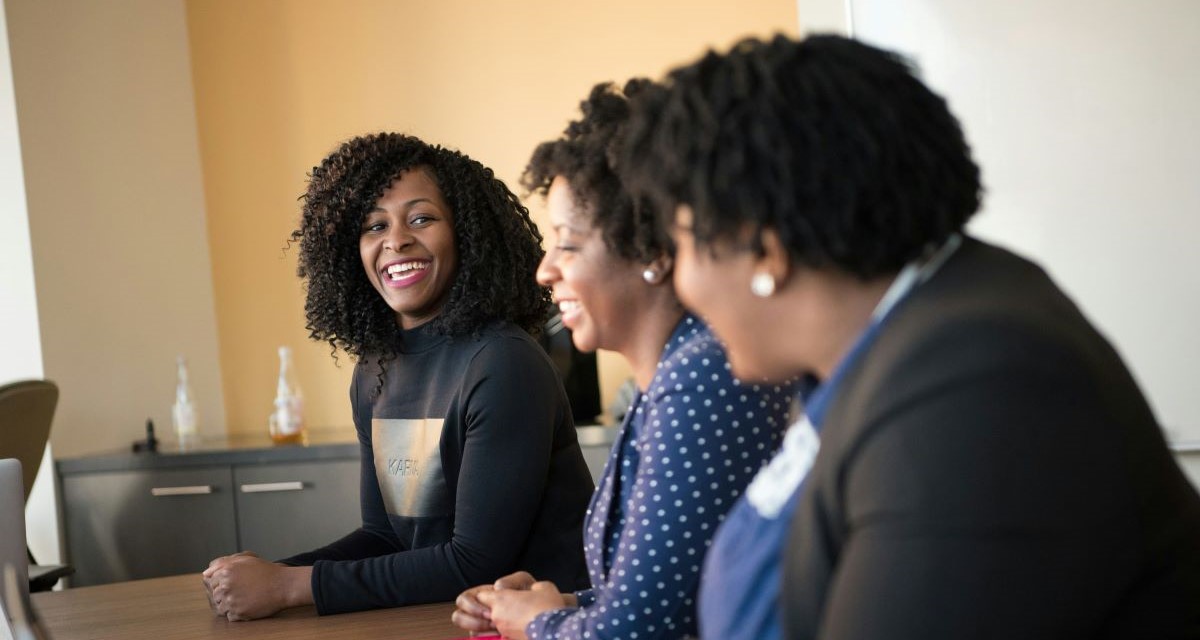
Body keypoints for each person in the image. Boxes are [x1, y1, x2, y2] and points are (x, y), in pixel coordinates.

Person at [620, 34, 1200, 639]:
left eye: (682, 244)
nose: (681, 284)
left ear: (764, 249)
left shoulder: (976, 379)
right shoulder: (902, 339)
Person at [450, 81, 796, 640]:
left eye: (566, 243)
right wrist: (564, 600)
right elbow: (678, 589)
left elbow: (637, 631)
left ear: (651, 250)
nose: (544, 270)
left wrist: (539, 621)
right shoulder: (674, 373)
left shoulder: (702, 377)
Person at [202, 133, 595, 620]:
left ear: (466, 234)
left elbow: (473, 561)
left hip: (543, 626)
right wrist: (270, 574)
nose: (396, 240)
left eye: (422, 218)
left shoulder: (503, 362)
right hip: (437, 619)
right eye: (374, 225)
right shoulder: (374, 369)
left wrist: (289, 585)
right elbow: (385, 537)